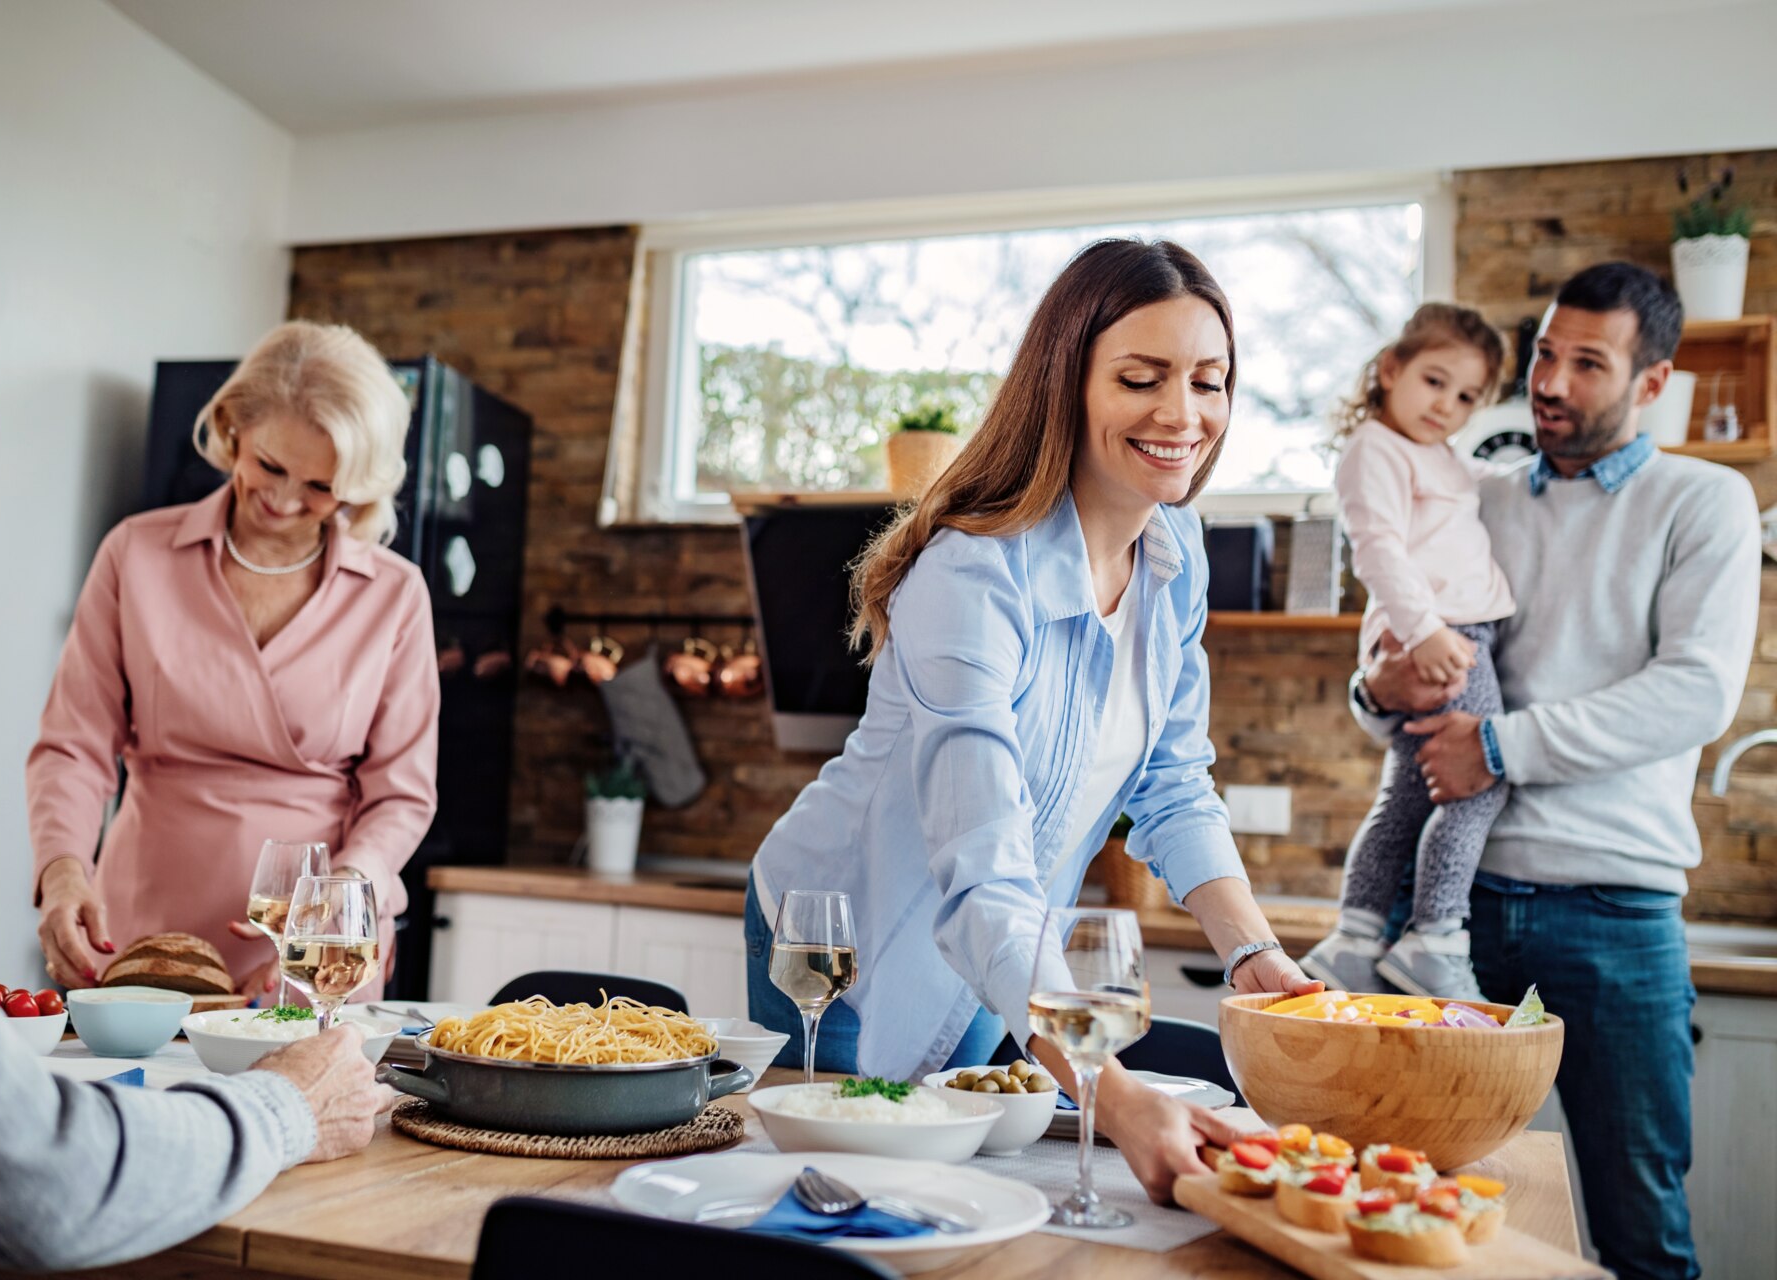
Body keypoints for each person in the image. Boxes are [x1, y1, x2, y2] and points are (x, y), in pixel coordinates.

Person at [747, 239, 1318, 1204]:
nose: (1183, 414)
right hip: (841, 943)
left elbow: (1174, 784)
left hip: (1000, 950)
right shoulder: (974, 573)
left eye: (1209, 382)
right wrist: (1113, 1095)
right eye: (1142, 378)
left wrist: (1255, 953)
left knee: (958, 1193)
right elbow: (981, 861)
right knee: (852, 1205)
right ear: (1067, 383)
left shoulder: (1175, 555)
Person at [1348, 262, 1759, 1280]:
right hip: (1454, 912)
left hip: (1615, 915)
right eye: (1543, 354)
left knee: (1640, 1227)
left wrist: (1498, 746)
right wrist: (1378, 692)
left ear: (1652, 382)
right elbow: (1401, 649)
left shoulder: (1705, 501)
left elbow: (1694, 694)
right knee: (1419, 1212)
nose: (1551, 380)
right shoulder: (1476, 493)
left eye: (1588, 361)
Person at [27, 321, 440, 1003]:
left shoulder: (395, 595)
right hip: (144, 927)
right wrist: (64, 870)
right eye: (272, 466)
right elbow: (72, 746)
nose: (285, 501)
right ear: (232, 428)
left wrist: (338, 902)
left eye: (321, 486)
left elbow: (400, 794)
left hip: (318, 938)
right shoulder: (136, 555)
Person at [0, 807, 396, 1270]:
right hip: (144, 904)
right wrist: (292, 1106)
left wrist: (332, 895)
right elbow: (35, 1174)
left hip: (321, 913)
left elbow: (404, 795)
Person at [1302, 304, 1513, 1000]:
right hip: (1443, 634)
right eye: (1434, 381)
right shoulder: (1376, 449)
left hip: (1440, 629)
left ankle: (1356, 939)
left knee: (1407, 797)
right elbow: (1377, 548)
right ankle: (1435, 935)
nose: (1446, 406)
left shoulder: (1434, 455)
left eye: (1465, 397)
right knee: (1480, 778)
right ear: (1390, 369)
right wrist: (1425, 633)